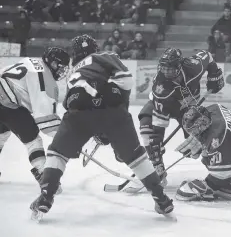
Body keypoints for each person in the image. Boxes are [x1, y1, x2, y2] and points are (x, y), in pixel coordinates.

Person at [30, 35, 174, 220]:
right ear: (95, 48)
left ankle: (46, 196)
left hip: (77, 112)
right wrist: (115, 120)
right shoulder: (105, 56)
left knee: (57, 153)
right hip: (112, 112)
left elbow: (70, 103)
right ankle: (162, 199)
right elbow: (126, 81)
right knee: (136, 156)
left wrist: (94, 127)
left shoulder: (74, 70)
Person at [138, 48, 224, 184]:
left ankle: (221, 171)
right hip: (163, 105)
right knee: (147, 129)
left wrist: (214, 74)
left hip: (189, 109)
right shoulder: (161, 89)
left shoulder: (193, 67)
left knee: (198, 146)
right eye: (164, 68)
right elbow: (158, 126)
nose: (165, 72)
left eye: (170, 69)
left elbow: (208, 55)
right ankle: (157, 167)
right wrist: (156, 147)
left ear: (179, 66)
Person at [0, 47, 70, 183]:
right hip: (6, 103)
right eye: (59, 66)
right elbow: (46, 120)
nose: (61, 71)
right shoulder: (46, 78)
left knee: (1, 135)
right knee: (33, 139)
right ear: (51, 62)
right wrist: (66, 137)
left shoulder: (31, 61)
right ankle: (44, 173)